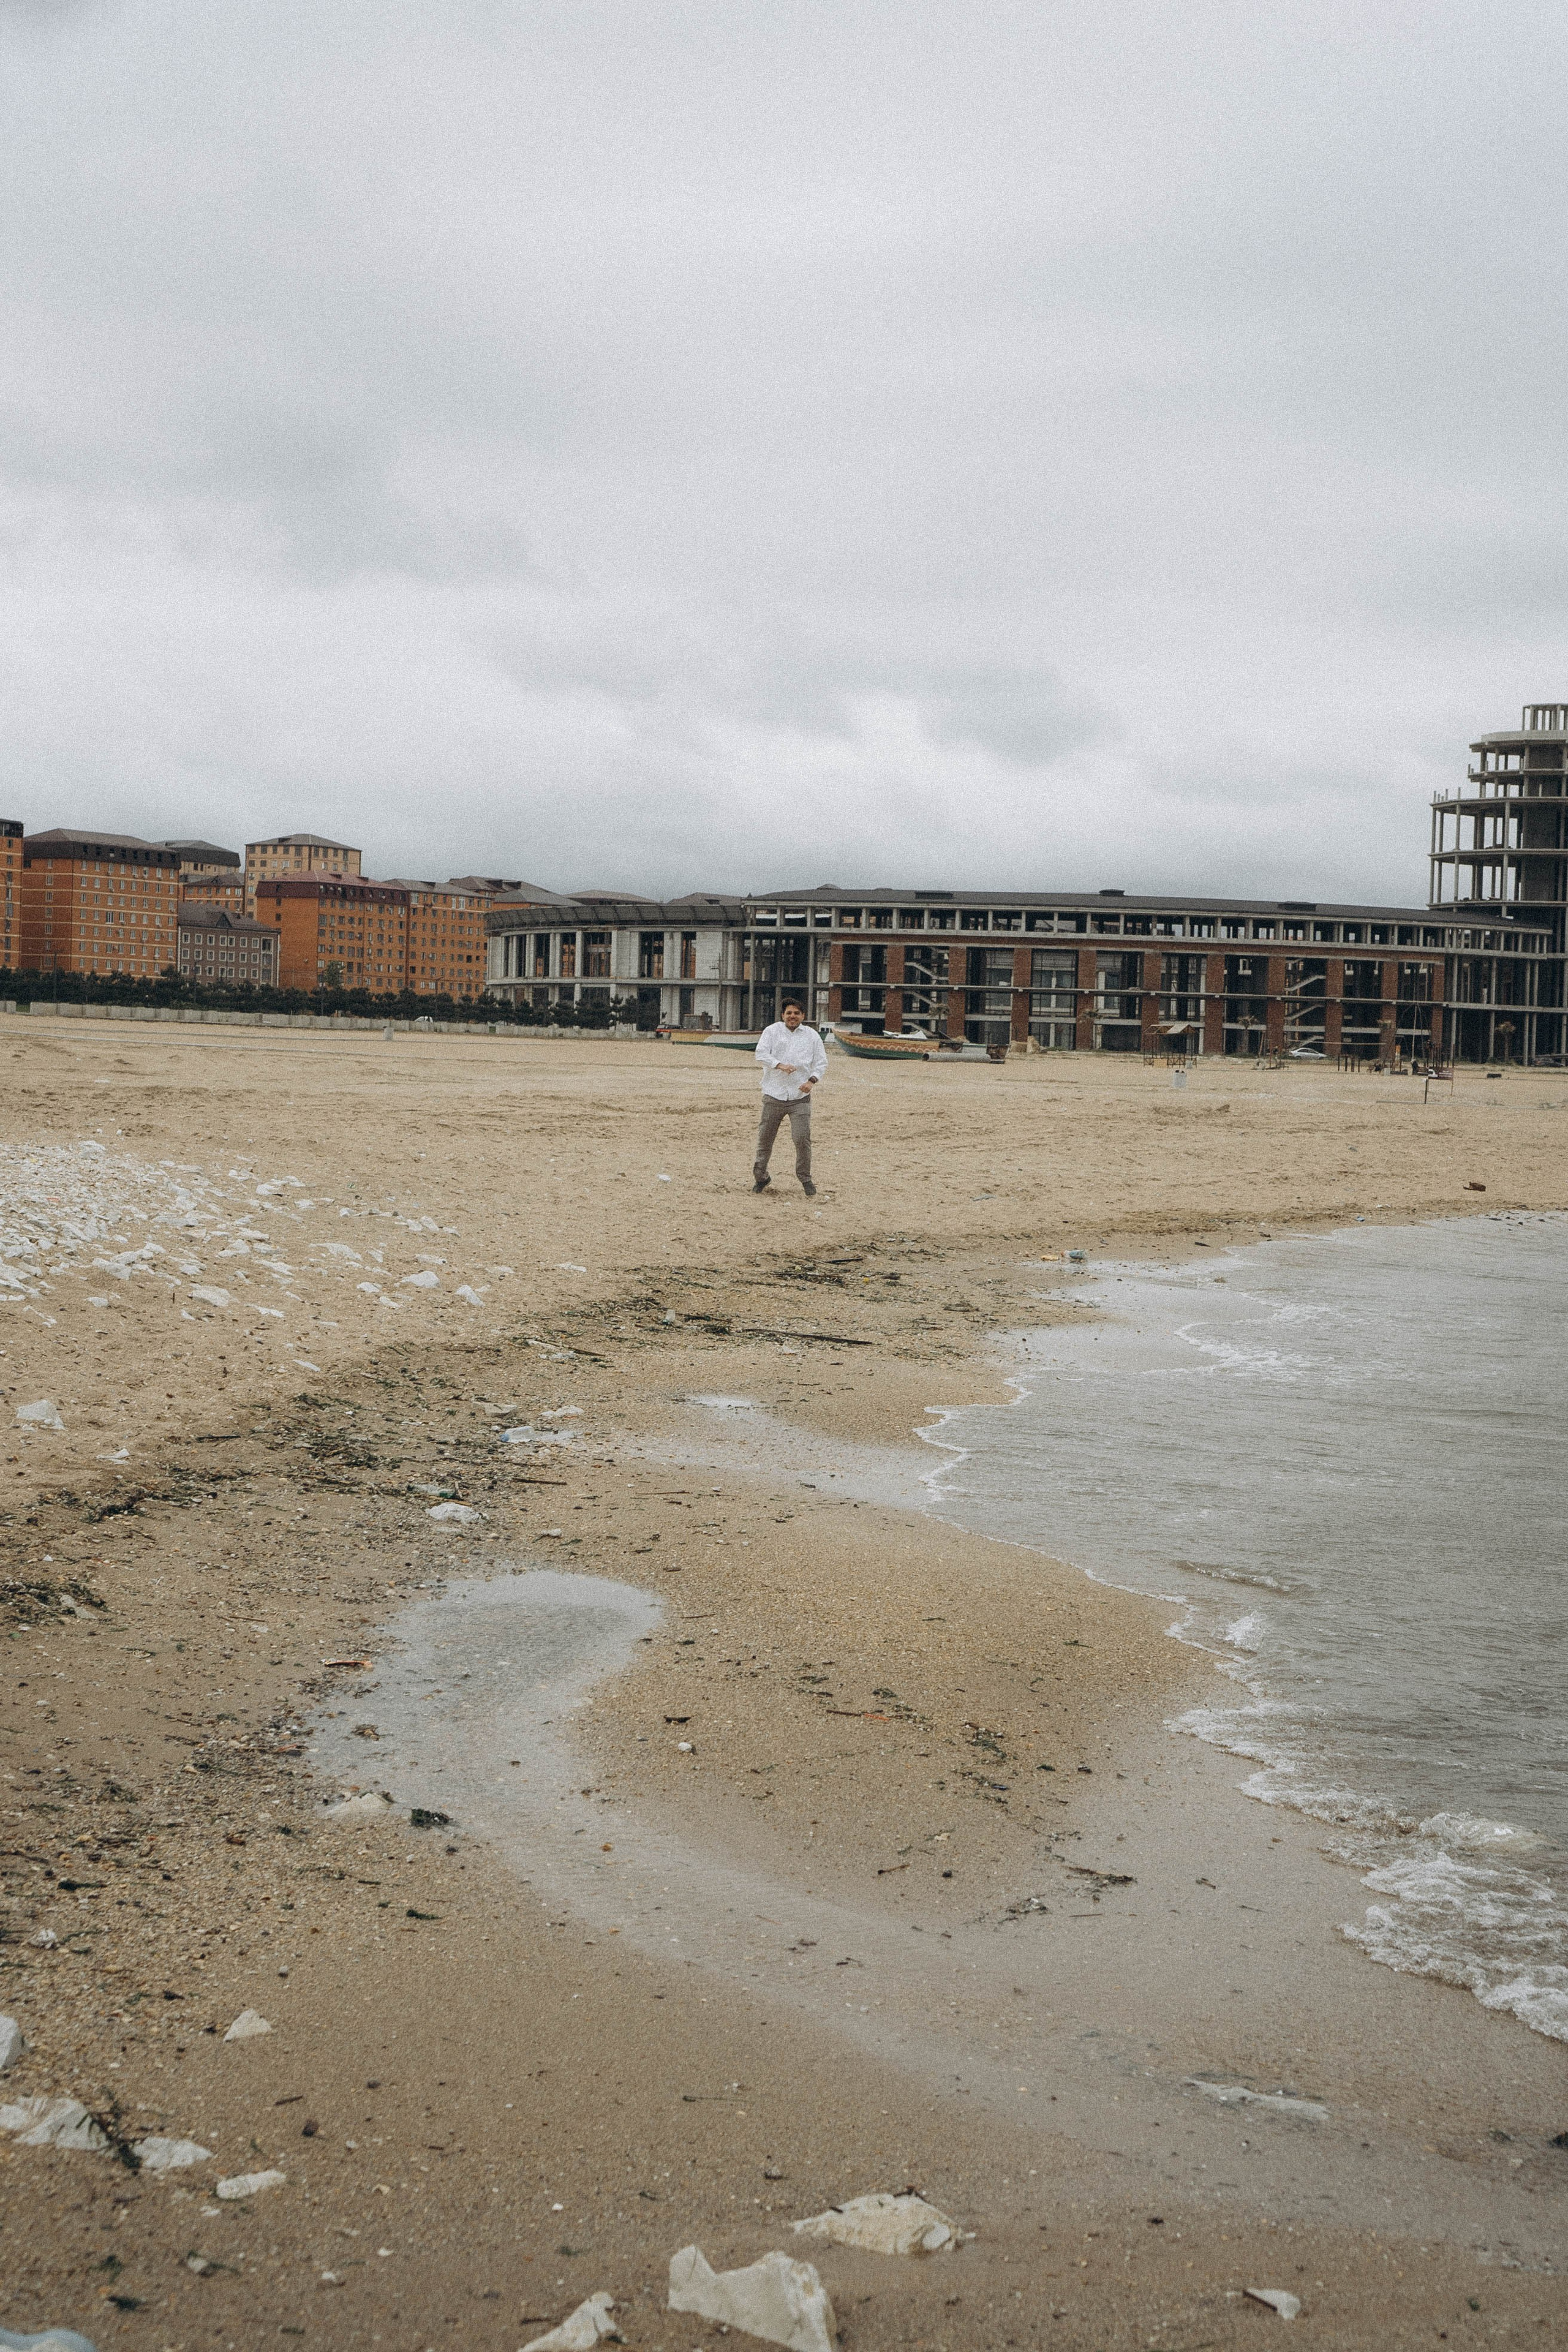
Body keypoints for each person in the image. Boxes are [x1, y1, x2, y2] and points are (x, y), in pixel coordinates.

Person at [752, 998, 826, 1194]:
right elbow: (761, 1054)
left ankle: (805, 1179)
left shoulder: (812, 1036)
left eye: (796, 1013)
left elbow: (821, 1063)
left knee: (802, 1139)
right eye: (789, 1013)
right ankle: (761, 1177)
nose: (792, 1016)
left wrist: (811, 1081)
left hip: (799, 1097)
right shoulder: (772, 1031)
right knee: (765, 1139)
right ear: (783, 1015)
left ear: (803, 1016)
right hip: (773, 1094)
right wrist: (779, 1065)